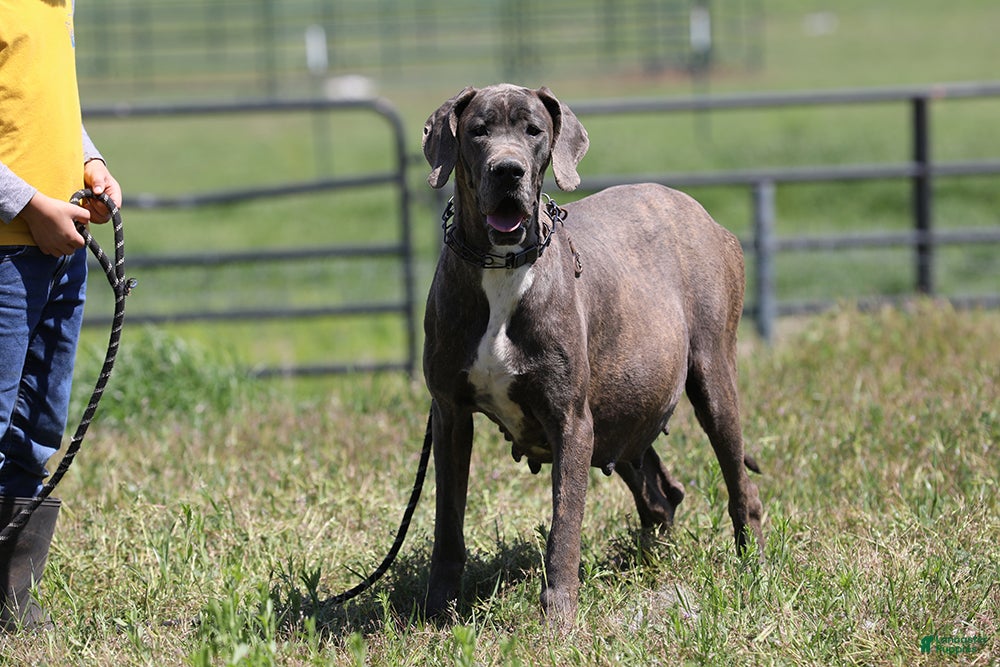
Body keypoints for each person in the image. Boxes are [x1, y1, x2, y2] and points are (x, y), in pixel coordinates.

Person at [0, 0, 123, 631]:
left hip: (55, 247)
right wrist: (29, 205)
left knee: (35, 428)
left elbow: (46, 109)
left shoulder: (57, 4)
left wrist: (89, 162)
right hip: (5, 252)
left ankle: (12, 597)